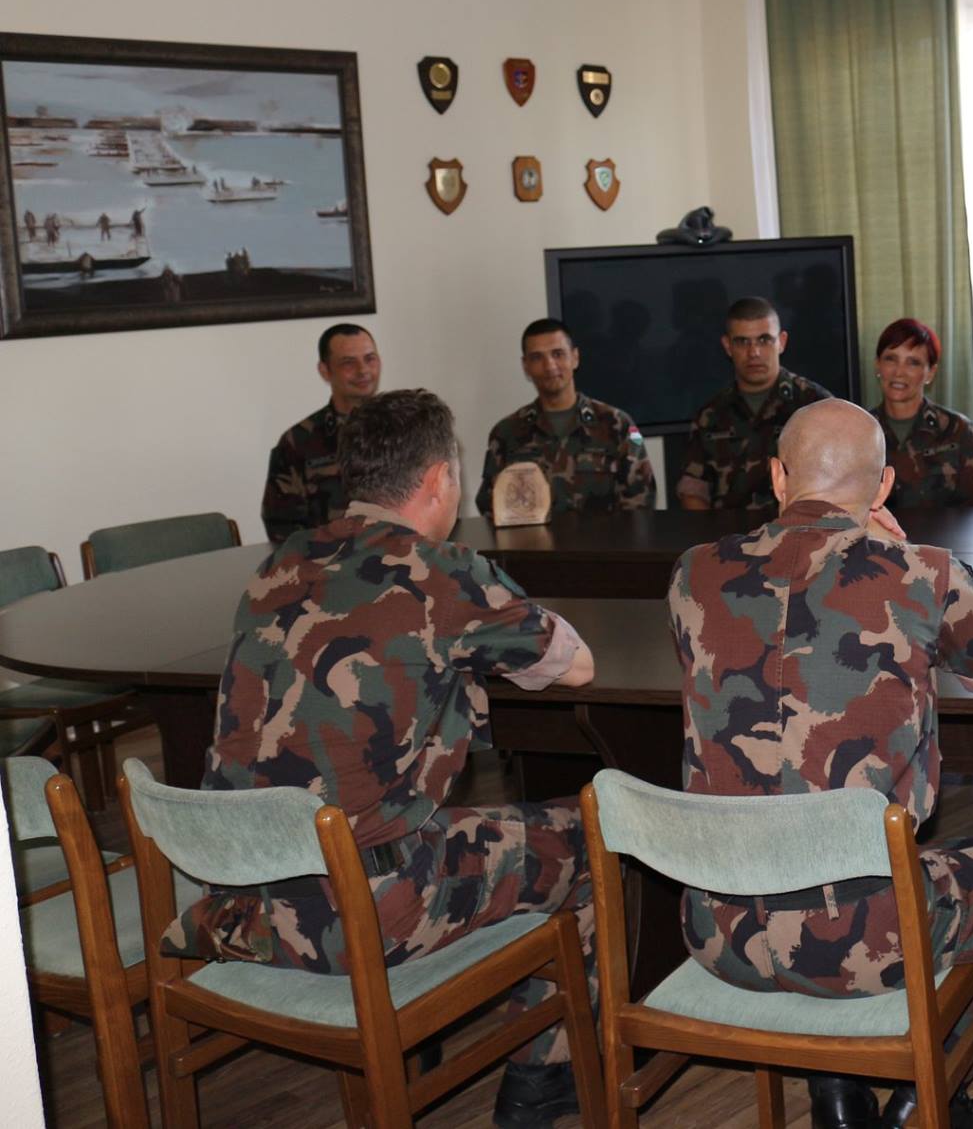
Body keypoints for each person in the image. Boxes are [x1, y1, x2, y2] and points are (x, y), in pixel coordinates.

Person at [171, 389, 600, 1129]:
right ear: (439, 478)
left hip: (237, 904)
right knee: (593, 839)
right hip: (361, 912)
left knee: (443, 820)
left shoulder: (280, 563)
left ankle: (423, 1038)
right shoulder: (444, 572)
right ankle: (541, 1077)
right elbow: (578, 666)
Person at [668, 400, 973, 1129]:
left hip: (717, 928)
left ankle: (836, 1089)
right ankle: (929, 1087)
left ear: (777, 476)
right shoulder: (921, 571)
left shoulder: (690, 574)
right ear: (884, 485)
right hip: (866, 936)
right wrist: (902, 553)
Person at [474, 317, 656, 520]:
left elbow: (640, 499)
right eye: (537, 357)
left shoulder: (618, 425)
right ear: (526, 366)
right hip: (530, 541)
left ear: (575, 357)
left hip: (603, 540)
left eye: (558, 354)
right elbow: (490, 505)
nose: (550, 366)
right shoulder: (506, 433)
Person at [673, 296, 832, 515]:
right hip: (728, 534)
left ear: (782, 342)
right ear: (727, 346)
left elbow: (840, 483)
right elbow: (693, 491)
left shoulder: (816, 406)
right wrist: (708, 535)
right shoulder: (710, 415)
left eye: (764, 340)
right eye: (742, 342)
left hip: (799, 532)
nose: (754, 352)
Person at [260, 323, 381, 544]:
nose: (363, 370)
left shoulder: (408, 429)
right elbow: (281, 528)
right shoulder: (298, 441)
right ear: (325, 370)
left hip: (402, 556)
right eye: (348, 362)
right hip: (330, 560)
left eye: (370, 359)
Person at [869, 316, 973, 508]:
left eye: (913, 363)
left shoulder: (957, 430)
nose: (899, 372)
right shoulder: (860, 431)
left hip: (945, 529)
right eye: (891, 359)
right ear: (878, 365)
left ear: (930, 373)